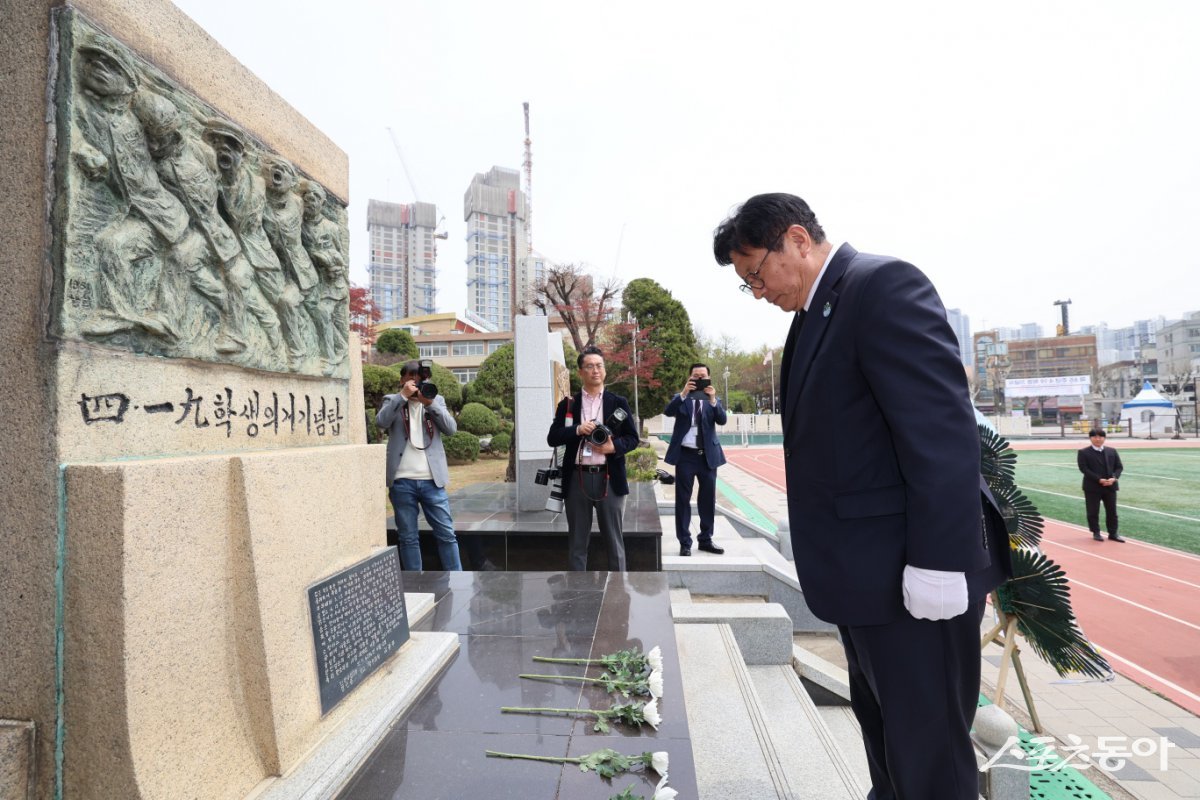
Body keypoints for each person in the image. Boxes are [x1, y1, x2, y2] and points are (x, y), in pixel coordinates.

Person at [714, 193, 1010, 799]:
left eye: (755, 274)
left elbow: (941, 432)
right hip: (868, 580)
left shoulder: (881, 286)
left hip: (915, 579)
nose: (758, 291)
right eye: (747, 284)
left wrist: (938, 562)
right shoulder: (816, 312)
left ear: (796, 239)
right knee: (886, 740)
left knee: (930, 761)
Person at [546, 346, 641, 571]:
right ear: (581, 372)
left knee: (614, 541)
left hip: (609, 478)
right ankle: (577, 593)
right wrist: (578, 429)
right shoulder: (568, 404)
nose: (595, 370)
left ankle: (617, 592)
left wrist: (612, 447)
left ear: (604, 371)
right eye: (589, 366)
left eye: (599, 366)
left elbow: (632, 438)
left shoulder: (618, 402)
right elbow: (553, 437)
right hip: (577, 479)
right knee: (577, 542)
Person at [377, 360, 462, 571]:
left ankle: (458, 579)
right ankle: (416, 582)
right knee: (408, 538)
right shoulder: (392, 400)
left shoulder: (436, 400)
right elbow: (381, 422)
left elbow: (451, 429)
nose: (416, 385)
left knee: (446, 534)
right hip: (401, 480)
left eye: (420, 380)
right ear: (402, 380)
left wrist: (430, 404)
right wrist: (402, 397)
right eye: (411, 380)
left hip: (432, 480)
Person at [663, 364, 728, 556]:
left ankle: (706, 539)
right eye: (695, 376)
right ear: (690, 377)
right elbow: (668, 411)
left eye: (703, 376)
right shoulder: (681, 398)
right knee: (683, 499)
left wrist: (713, 399)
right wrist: (683, 393)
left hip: (707, 456)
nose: (699, 379)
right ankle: (685, 542)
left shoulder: (713, 400)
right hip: (686, 456)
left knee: (708, 499)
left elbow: (722, 420)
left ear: (708, 377)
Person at [1077, 428, 1125, 542]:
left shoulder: (1112, 451)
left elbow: (1119, 467)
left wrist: (1114, 478)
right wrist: (1099, 479)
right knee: (1093, 511)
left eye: (1100, 437)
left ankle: (1113, 533)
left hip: (1110, 486)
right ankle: (1096, 532)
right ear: (1090, 438)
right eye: (1095, 437)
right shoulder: (1083, 452)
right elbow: (1084, 469)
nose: (1098, 439)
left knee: (1112, 511)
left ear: (1104, 438)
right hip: (1092, 487)